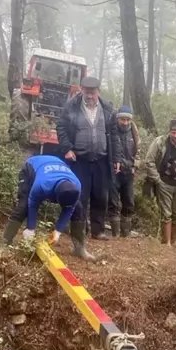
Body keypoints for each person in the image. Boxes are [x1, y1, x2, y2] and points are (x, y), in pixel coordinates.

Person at [55, 75, 120, 242]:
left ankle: (98, 231)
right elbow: (61, 127)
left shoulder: (108, 109)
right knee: (80, 195)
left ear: (98, 92)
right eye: (87, 92)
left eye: (93, 92)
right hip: (79, 159)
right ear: (81, 90)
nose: (90, 96)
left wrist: (117, 158)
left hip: (101, 159)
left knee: (100, 196)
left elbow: (114, 135)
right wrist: (67, 148)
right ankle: (79, 228)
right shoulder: (72, 106)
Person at [2, 154, 85, 253]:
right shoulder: (42, 185)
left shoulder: (77, 185)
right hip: (32, 167)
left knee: (78, 209)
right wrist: (30, 228)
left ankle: (79, 250)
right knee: (23, 206)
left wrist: (58, 231)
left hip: (55, 164)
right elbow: (33, 203)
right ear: (55, 196)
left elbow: (69, 208)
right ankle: (5, 244)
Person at [109, 106, 139, 237]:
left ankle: (125, 233)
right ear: (117, 119)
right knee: (113, 202)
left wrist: (135, 166)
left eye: (128, 119)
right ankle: (115, 233)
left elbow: (138, 151)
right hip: (114, 172)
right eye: (123, 119)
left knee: (129, 202)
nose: (125, 122)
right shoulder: (111, 131)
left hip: (129, 172)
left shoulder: (134, 131)